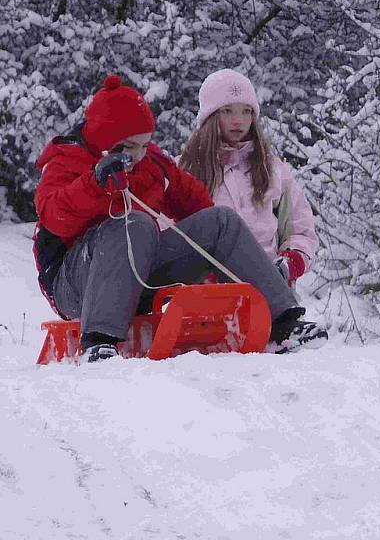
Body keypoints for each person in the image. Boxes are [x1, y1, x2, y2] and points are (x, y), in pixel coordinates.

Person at [33, 74, 327, 363]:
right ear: (107, 141)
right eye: (129, 146)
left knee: (221, 221)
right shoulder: (68, 159)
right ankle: (100, 341)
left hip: (140, 277)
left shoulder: (150, 164)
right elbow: (54, 217)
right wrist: (94, 184)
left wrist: (217, 256)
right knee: (135, 223)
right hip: (76, 286)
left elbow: (199, 207)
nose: (138, 154)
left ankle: (283, 322)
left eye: (145, 144)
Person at [179, 69, 318, 289]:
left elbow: (299, 228)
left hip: (269, 288)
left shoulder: (272, 169)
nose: (238, 120)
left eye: (246, 112)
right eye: (227, 111)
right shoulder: (186, 171)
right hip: (206, 295)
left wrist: (290, 263)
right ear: (210, 116)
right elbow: (172, 235)